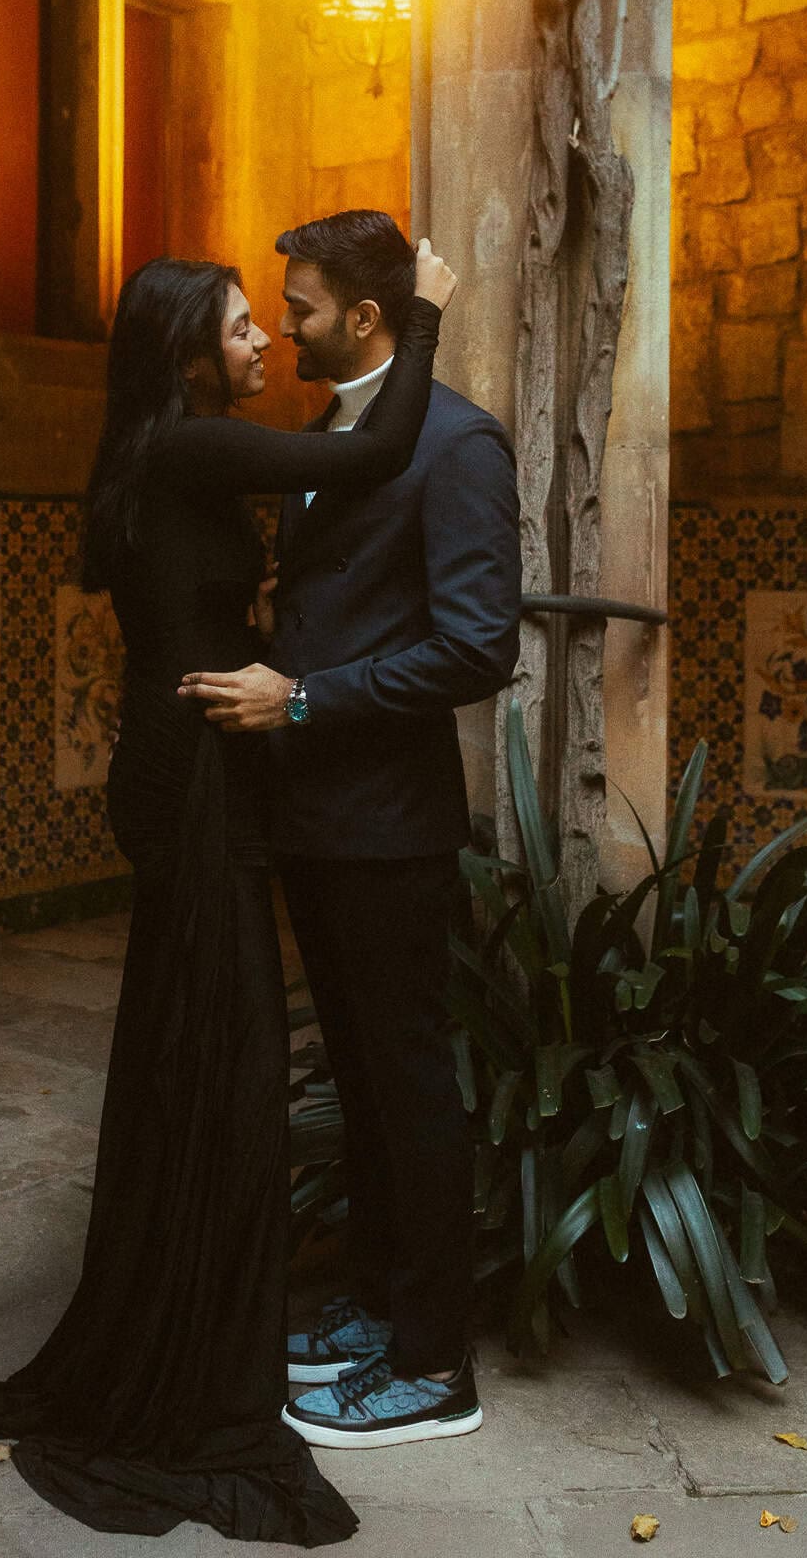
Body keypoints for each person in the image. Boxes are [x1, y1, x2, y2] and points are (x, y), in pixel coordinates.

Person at [0, 240, 455, 1544]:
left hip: (186, 756)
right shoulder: (186, 445)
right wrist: (421, 319)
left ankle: (189, 1285)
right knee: (218, 1038)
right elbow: (365, 454)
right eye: (244, 329)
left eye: (266, 323)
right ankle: (188, 1325)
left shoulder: (168, 442)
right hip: (189, 767)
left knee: (212, 1038)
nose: (262, 346)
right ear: (190, 348)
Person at [178, 209, 521, 1451]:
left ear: (367, 319)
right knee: (368, 1091)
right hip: (316, 818)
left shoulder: (458, 440)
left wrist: (304, 693)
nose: (286, 325)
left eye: (305, 307)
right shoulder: (338, 432)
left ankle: (436, 1367)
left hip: (388, 825)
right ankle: (378, 1310)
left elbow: (481, 644)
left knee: (413, 1089)